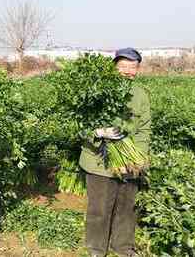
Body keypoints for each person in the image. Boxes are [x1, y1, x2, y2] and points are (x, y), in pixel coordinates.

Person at [79, 48, 151, 257]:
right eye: (124, 67)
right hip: (98, 161)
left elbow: (144, 128)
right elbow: (80, 124)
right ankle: (96, 249)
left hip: (130, 161)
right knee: (99, 209)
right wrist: (99, 132)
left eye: (133, 67)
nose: (129, 71)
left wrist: (137, 157)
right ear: (114, 67)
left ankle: (123, 248)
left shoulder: (141, 94)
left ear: (138, 69)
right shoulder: (95, 89)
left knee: (127, 208)